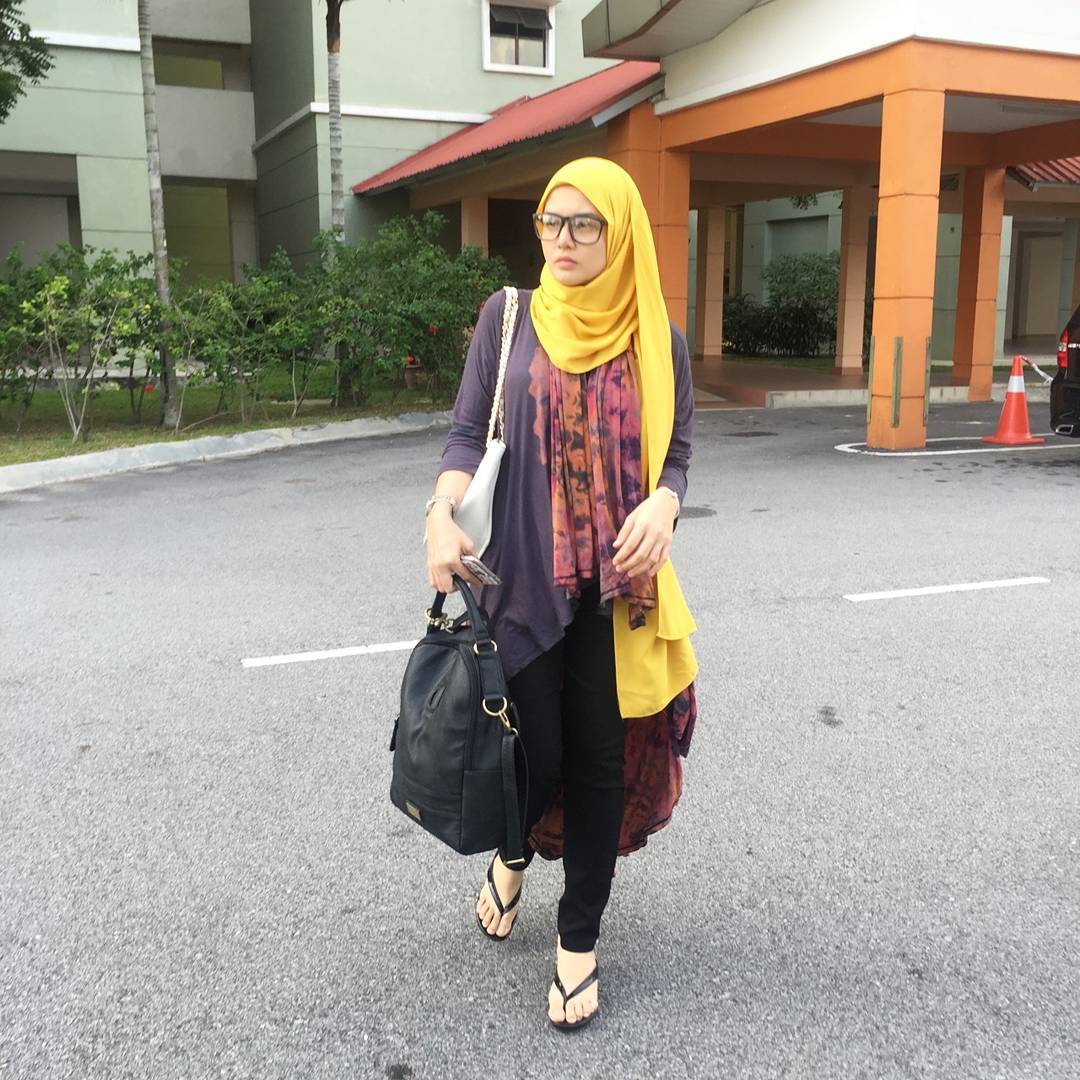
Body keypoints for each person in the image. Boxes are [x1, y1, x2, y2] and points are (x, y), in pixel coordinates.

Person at [424, 157, 698, 1031]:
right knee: (530, 755)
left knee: (599, 764)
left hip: (616, 593)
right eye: (552, 220)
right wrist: (439, 515)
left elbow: (676, 456)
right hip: (519, 582)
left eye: (586, 224)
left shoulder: (657, 339)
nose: (565, 239)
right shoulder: (508, 318)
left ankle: (578, 941)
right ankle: (513, 853)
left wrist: (665, 503)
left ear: (621, 233)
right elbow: (466, 434)